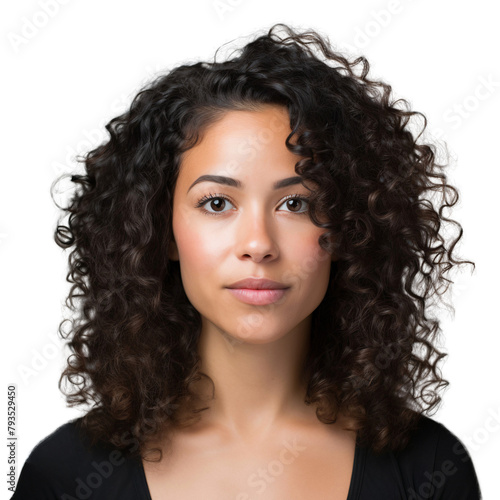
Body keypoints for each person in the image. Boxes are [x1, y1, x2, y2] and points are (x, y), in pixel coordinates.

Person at [11, 23, 482, 499]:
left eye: (296, 204)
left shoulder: (429, 469)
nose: (258, 244)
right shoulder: (65, 475)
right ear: (161, 227)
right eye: (217, 203)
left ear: (348, 229)